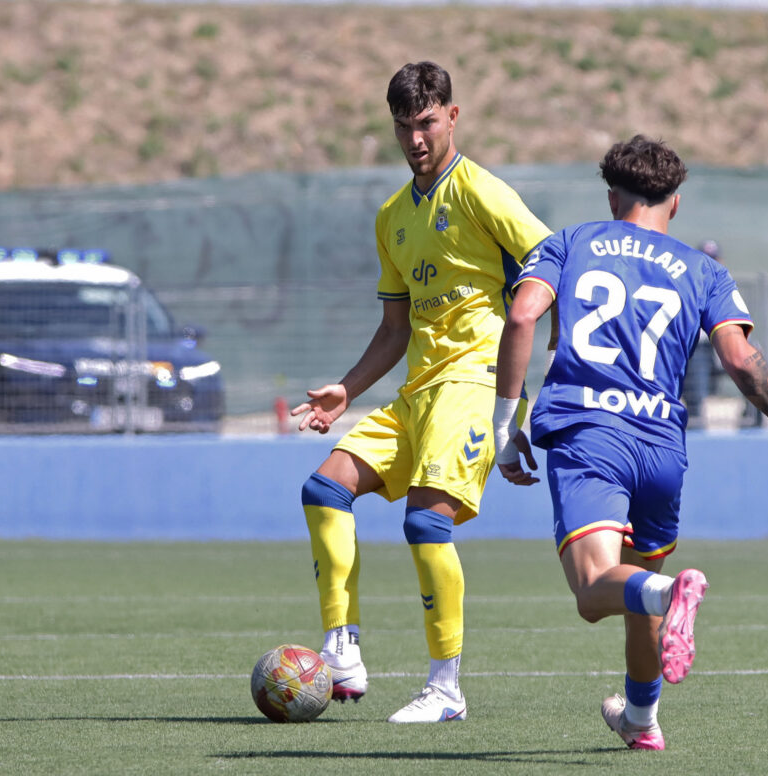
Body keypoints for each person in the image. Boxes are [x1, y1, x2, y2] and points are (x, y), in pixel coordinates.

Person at [492, 136, 768, 750]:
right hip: (661, 447)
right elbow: (741, 360)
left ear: (613, 197)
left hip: (589, 433)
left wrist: (506, 426)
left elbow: (524, 314)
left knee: (595, 591)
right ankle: (641, 719)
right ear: (676, 204)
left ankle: (668, 589)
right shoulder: (704, 269)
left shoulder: (572, 242)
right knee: (635, 595)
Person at [291, 61, 551, 724]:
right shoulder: (391, 219)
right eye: (406, 125)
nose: (417, 137)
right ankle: (341, 643)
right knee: (324, 489)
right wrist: (345, 391)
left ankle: (446, 688)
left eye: (428, 121)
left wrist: (524, 393)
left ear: (453, 117)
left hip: (472, 383)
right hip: (417, 390)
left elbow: (552, 264)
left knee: (425, 521)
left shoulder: (481, 192)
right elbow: (393, 327)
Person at [681, 239, 724, 423]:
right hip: (696, 348)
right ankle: (696, 431)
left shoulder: (724, 285)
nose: (710, 264)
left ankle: (752, 419)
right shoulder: (688, 285)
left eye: (713, 259)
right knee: (695, 400)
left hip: (717, 347)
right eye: (706, 259)